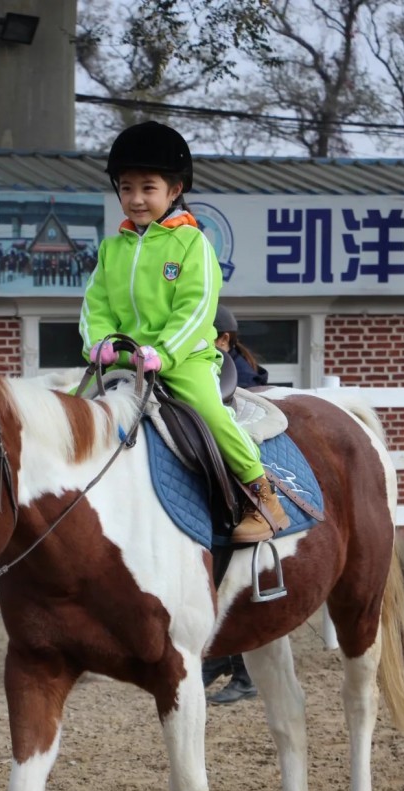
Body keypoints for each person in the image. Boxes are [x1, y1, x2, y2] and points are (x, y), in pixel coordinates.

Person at [79, 120, 289, 544]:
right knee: (71, 410)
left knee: (210, 412)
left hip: (183, 359)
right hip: (121, 358)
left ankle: (263, 496)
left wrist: (163, 353)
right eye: (126, 187)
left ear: (174, 190)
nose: (135, 199)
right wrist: (98, 342)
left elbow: (195, 310)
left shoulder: (193, 245)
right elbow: (94, 305)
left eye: (148, 187)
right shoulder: (111, 248)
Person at [202, 303, 270, 704]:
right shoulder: (223, 369)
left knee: (230, 562)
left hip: (241, 472)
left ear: (223, 340)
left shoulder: (230, 377)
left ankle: (243, 673)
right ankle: (218, 658)